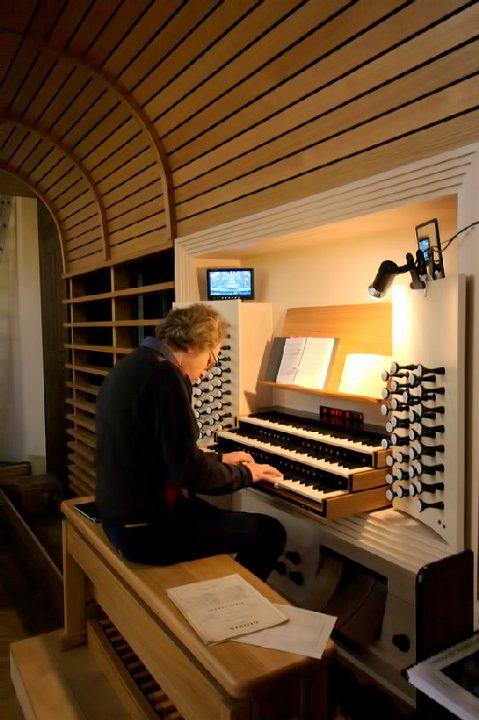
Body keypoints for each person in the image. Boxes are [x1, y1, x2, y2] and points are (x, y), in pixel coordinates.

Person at [95, 302, 286, 581]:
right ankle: (235, 602)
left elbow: (161, 451)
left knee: (219, 517)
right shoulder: (166, 376)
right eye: (211, 360)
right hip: (145, 531)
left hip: (120, 516)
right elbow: (190, 473)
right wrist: (247, 474)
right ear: (196, 344)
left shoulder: (134, 364)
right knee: (270, 532)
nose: (207, 371)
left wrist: (220, 459)